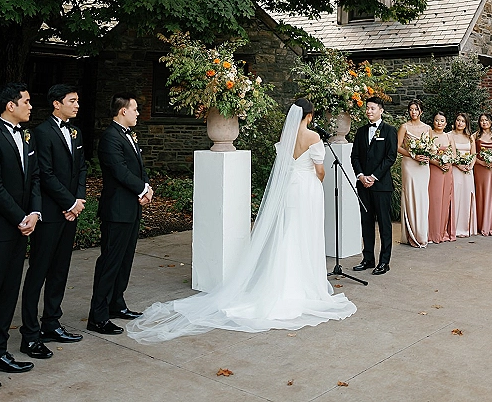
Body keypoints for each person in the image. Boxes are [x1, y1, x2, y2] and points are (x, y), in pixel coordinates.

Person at [127, 99, 356, 342]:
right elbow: (320, 171)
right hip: (308, 188)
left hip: (290, 189)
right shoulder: (313, 137)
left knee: (288, 232)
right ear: (309, 116)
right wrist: (316, 178)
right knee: (306, 233)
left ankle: (281, 281)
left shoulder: (286, 138)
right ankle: (303, 285)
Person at [20, 85, 87, 359]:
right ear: (56, 104)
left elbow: (81, 167)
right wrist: (68, 202)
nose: (77, 105)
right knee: (38, 272)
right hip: (49, 213)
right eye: (72, 101)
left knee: (60, 270)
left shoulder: (76, 132)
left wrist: (78, 200)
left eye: (78, 100)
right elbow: (44, 174)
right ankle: (30, 332)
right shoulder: (40, 133)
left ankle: (52, 323)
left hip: (70, 212)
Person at [88, 94, 153, 335]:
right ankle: (98, 316)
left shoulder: (130, 136)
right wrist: (142, 189)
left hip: (132, 208)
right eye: (135, 109)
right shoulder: (109, 138)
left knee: (125, 261)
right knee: (110, 262)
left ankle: (117, 304)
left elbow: (139, 167)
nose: (137, 113)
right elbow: (119, 171)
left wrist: (146, 186)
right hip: (116, 210)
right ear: (123, 111)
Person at [0, 83, 41, 391]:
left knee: (9, 292)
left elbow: (34, 177)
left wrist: (34, 213)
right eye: (26, 101)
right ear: (10, 105)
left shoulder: (26, 136)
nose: (30, 106)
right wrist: (19, 217)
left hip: (22, 227)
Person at [350, 97, 398, 274]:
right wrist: (361, 176)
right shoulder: (361, 131)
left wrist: (374, 176)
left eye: (372, 108)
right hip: (363, 185)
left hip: (381, 185)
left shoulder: (389, 131)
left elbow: (390, 157)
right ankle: (368, 258)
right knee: (366, 222)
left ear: (381, 110)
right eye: (367, 108)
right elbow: (354, 156)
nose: (369, 111)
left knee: (385, 224)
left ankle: (384, 262)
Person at [398, 99, 432, 248]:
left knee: (422, 197)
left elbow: (432, 148)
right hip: (409, 164)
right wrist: (412, 155)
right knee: (410, 196)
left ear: (421, 112)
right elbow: (397, 147)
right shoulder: (404, 127)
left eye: (416, 109)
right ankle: (411, 234)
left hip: (423, 166)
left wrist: (427, 155)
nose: (413, 112)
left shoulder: (427, 128)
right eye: (411, 109)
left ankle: (421, 233)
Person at [428, 111, 456, 243]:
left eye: (442, 121)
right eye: (437, 120)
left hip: (447, 170)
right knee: (434, 199)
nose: (439, 123)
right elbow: (426, 153)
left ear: (446, 123)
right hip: (434, 169)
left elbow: (454, 154)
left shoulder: (448, 136)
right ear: (433, 122)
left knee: (445, 200)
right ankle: (432, 232)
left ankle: (441, 231)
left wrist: (448, 162)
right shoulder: (429, 134)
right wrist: (438, 163)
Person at [451, 112, 477, 238]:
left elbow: (474, 155)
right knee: (456, 196)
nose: (460, 123)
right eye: (458, 120)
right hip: (456, 169)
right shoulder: (449, 135)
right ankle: (455, 227)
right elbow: (451, 155)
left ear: (466, 123)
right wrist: (458, 165)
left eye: (462, 121)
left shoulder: (470, 137)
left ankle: (466, 227)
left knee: (467, 196)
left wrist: (470, 166)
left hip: (468, 171)